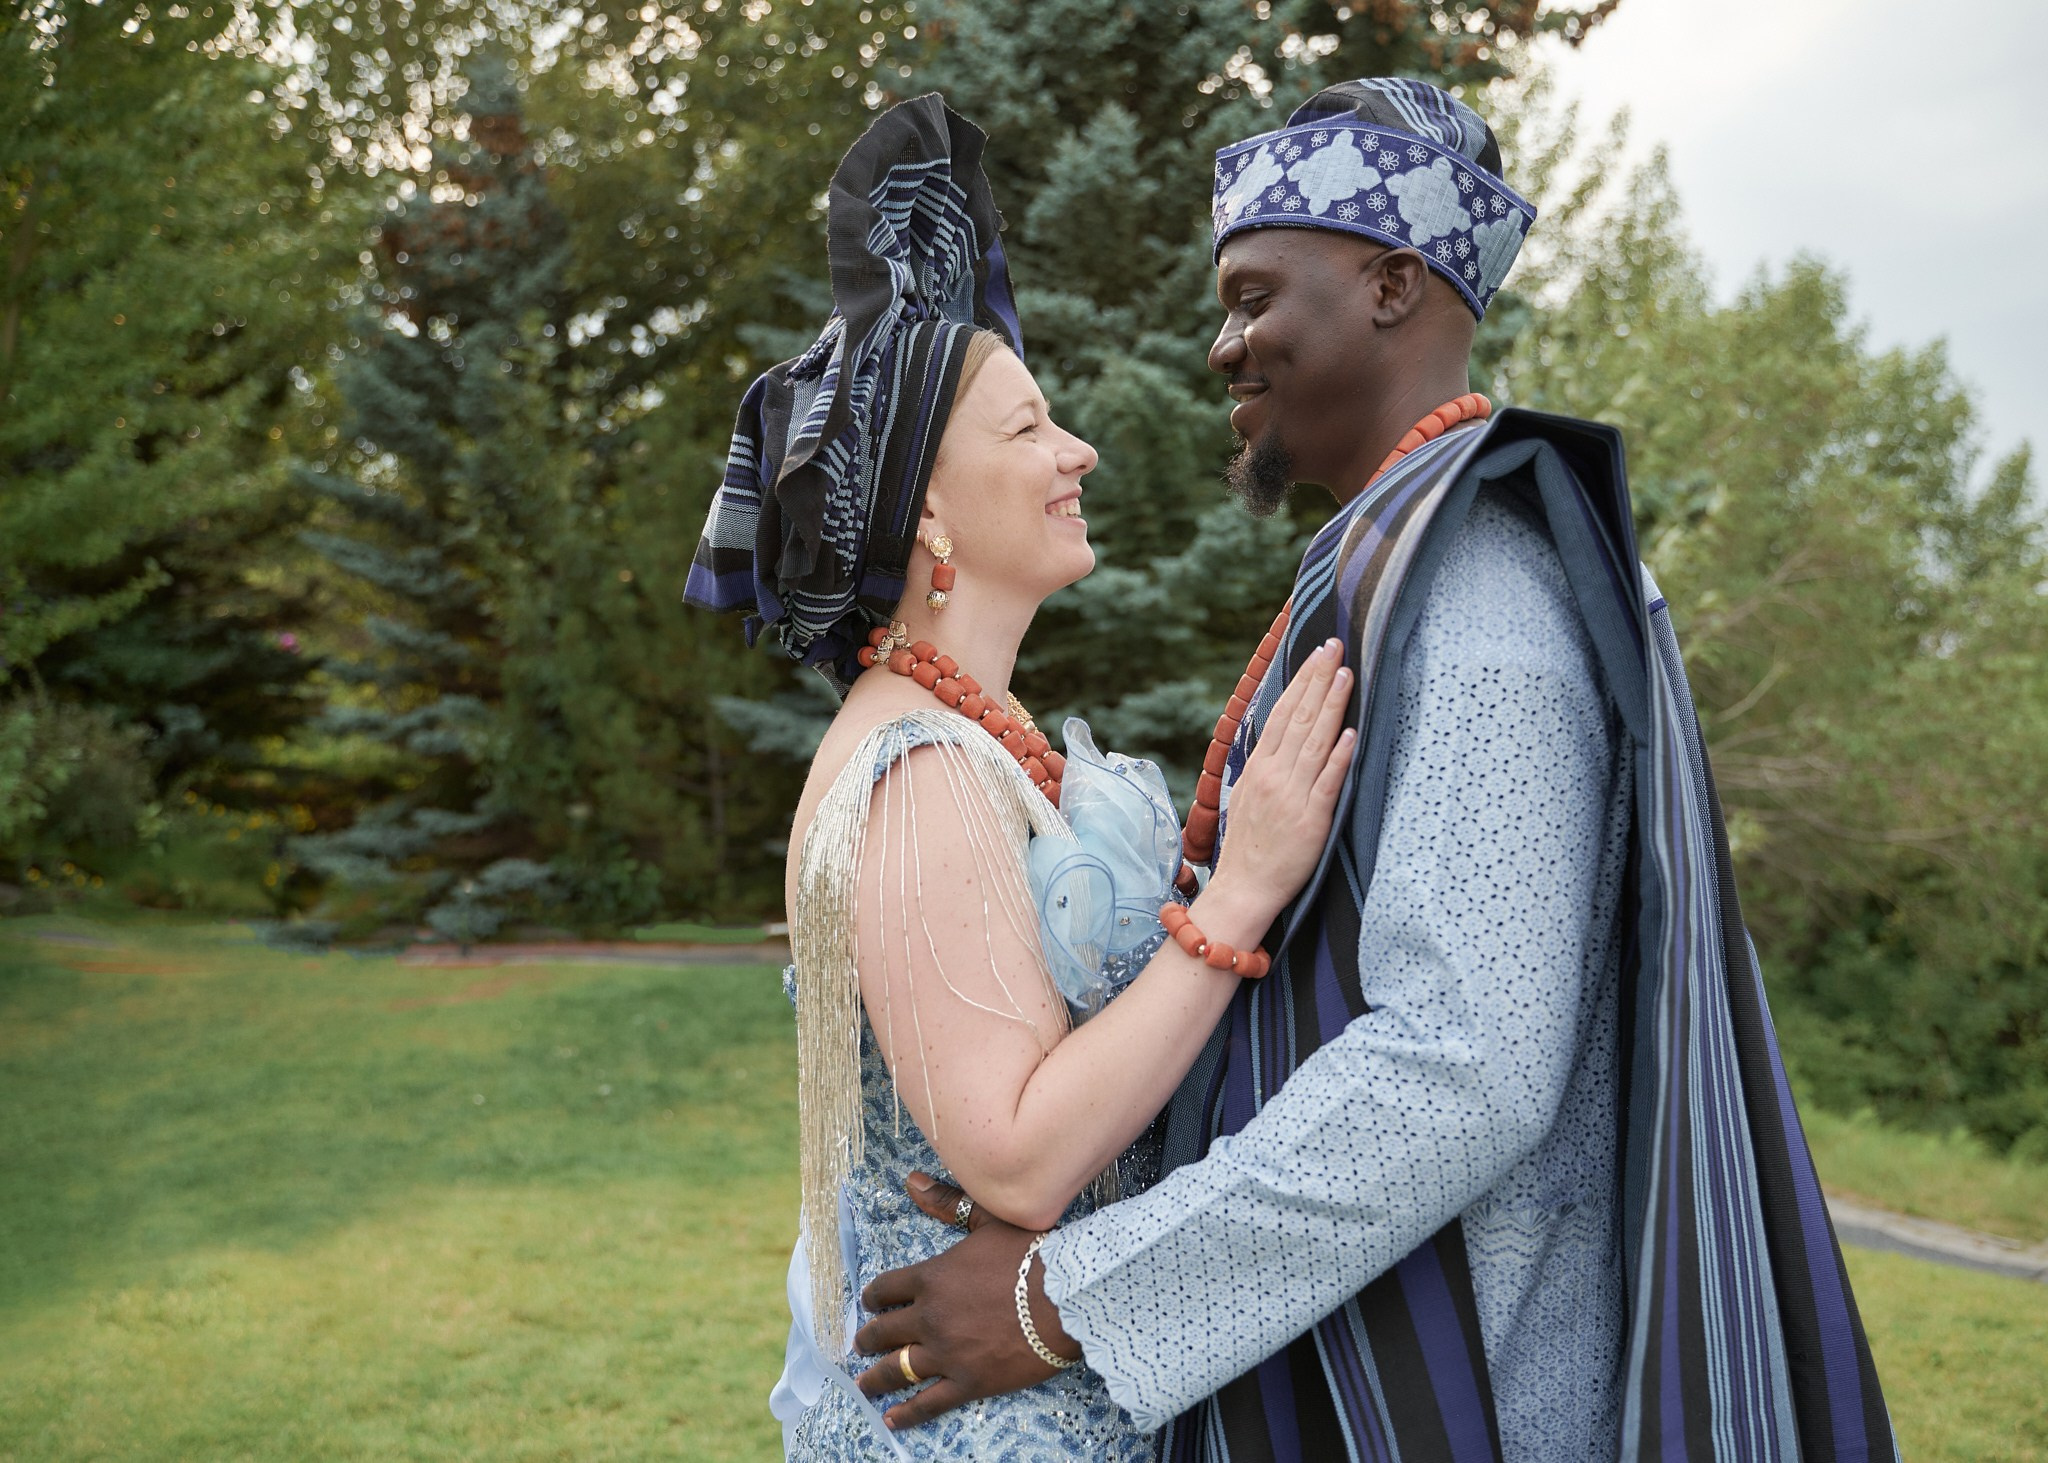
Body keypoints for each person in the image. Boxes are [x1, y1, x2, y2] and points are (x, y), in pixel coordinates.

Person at [850, 78, 1896, 1461]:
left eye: (1254, 297)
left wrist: (1068, 1300)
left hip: (1474, 1389)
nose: (1224, 346)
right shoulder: (1400, 565)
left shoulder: (1482, 593)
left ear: (1394, 285)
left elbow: (1462, 1066)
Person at [684, 94, 1358, 1461]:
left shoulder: (967, 737)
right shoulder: (919, 772)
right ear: (927, 507)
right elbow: (1015, 1155)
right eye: (1030, 430)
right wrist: (1240, 898)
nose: (1078, 453)